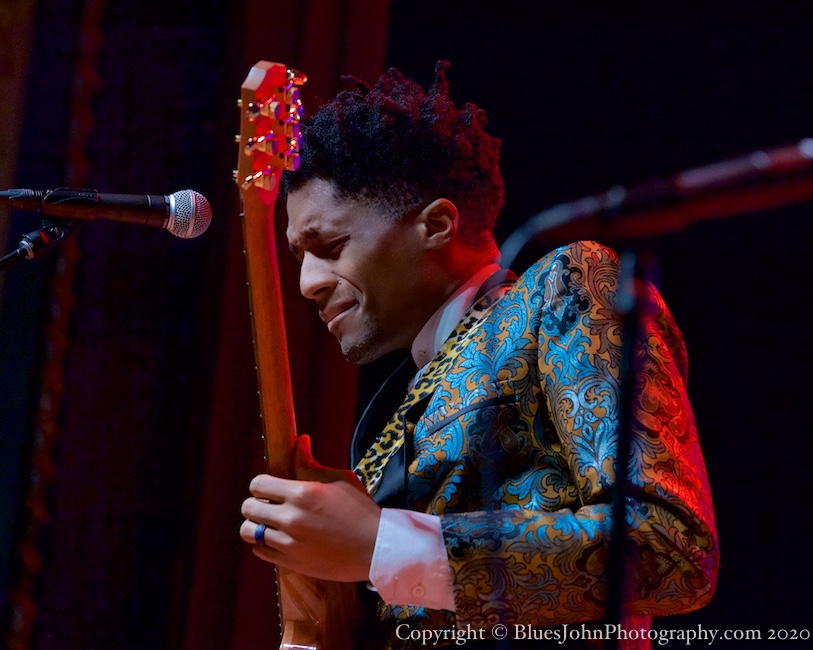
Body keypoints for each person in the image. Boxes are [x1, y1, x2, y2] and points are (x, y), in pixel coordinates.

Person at [239, 60, 719, 649]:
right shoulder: (390, 423)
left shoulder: (566, 283)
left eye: (332, 246)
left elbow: (669, 547)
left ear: (437, 224)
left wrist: (381, 543)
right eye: (299, 259)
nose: (308, 283)